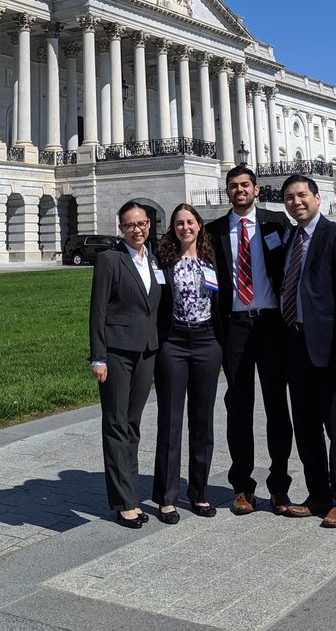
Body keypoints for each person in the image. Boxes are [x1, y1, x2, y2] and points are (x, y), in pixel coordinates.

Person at [206, 165, 293, 515]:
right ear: (227, 191)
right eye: (233, 185)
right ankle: (242, 486)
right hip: (236, 326)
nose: (239, 190)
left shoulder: (277, 223)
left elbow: (301, 250)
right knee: (239, 407)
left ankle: (279, 486)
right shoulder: (214, 231)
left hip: (271, 324)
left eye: (245, 184)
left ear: (257, 190)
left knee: (277, 406)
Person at [278, 174, 336, 529]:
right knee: (306, 425)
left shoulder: (335, 237)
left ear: (317, 198)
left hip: (328, 346)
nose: (296, 202)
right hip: (295, 342)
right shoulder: (290, 237)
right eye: (289, 197)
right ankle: (318, 495)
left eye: (302, 195)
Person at [89, 200, 161, 527]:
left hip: (146, 351)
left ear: (149, 224)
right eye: (130, 225)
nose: (136, 230)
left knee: (132, 424)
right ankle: (123, 502)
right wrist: (99, 356)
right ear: (121, 228)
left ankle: (131, 493)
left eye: (141, 223)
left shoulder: (153, 259)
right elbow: (98, 311)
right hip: (117, 353)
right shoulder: (110, 259)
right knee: (116, 424)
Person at [152, 203, 223, 524]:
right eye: (179, 223)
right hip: (174, 341)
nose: (185, 227)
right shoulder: (164, 260)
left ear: (199, 225)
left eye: (190, 222)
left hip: (207, 341)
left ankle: (199, 491)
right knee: (170, 419)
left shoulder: (213, 258)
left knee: (202, 421)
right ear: (173, 228)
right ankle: (167, 497)